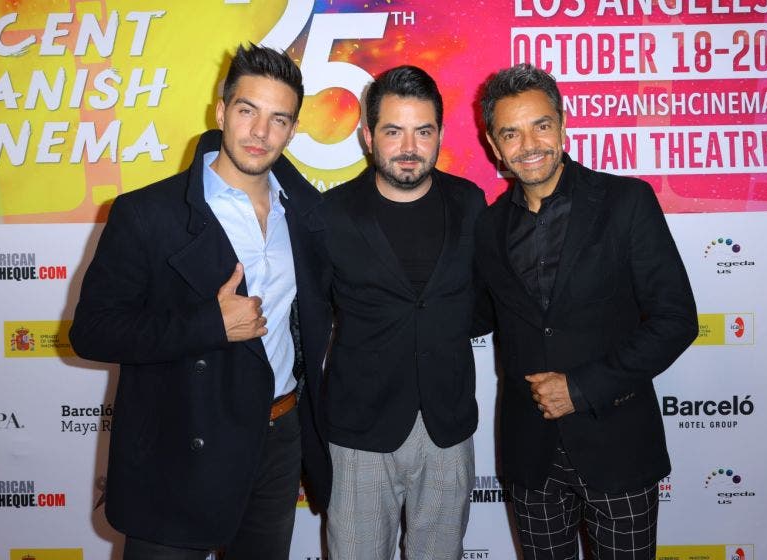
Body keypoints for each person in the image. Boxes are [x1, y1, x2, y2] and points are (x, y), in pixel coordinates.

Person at [69, 43, 332, 560]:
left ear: (293, 130)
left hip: (276, 437)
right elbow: (92, 332)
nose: (260, 132)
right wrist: (210, 323)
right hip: (179, 444)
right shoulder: (148, 213)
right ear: (221, 112)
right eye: (247, 110)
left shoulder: (306, 213)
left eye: (278, 119)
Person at [474, 64, 698, 559]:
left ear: (563, 125)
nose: (529, 145)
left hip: (618, 445)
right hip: (530, 454)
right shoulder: (487, 228)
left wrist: (580, 388)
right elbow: (476, 315)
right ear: (494, 145)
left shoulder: (625, 201)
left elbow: (676, 320)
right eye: (511, 133)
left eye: (541, 125)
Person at [320, 65, 486, 559]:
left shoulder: (470, 203)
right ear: (368, 136)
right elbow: (310, 312)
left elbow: (485, 302)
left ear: (440, 135)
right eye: (394, 131)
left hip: (447, 425)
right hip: (360, 429)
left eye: (423, 131)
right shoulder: (330, 214)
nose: (409, 146)